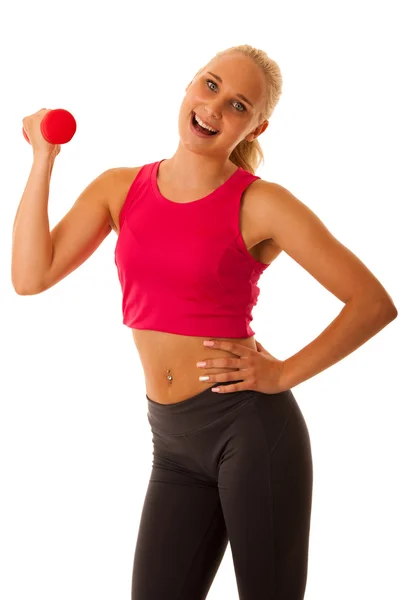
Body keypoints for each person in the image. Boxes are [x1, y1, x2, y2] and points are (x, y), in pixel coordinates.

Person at [12, 44, 397, 599]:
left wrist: (282, 374)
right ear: (191, 85)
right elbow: (31, 276)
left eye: (238, 105)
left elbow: (372, 302)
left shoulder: (262, 204)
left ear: (257, 126)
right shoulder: (120, 189)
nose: (215, 109)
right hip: (171, 444)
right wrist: (43, 160)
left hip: (250, 430)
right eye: (211, 86)